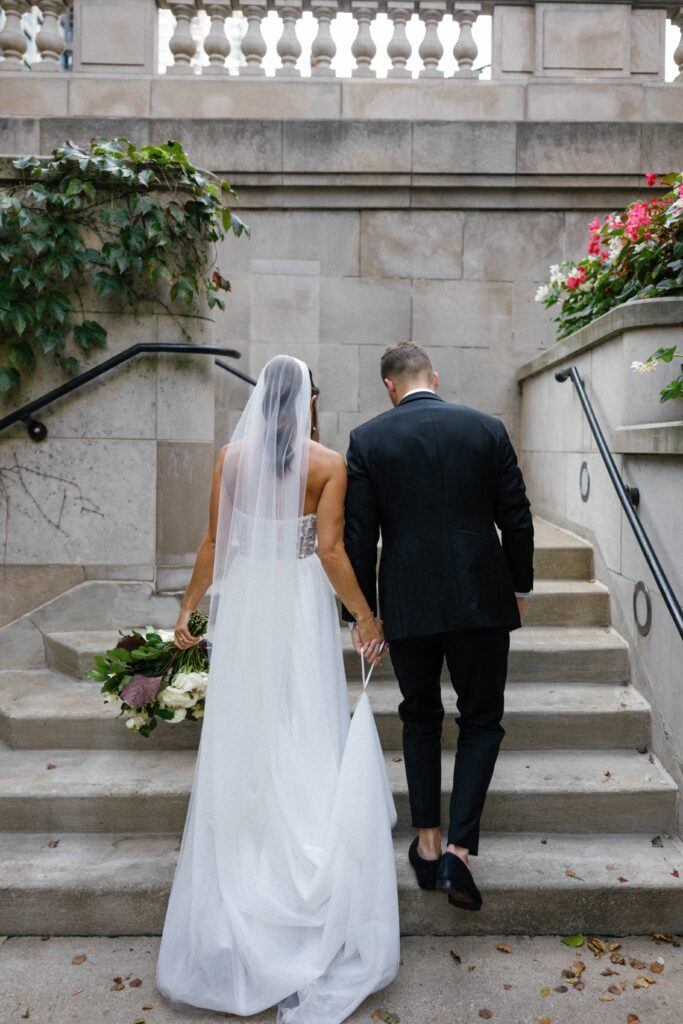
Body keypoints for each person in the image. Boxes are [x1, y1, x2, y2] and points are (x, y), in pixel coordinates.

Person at [156, 355, 400, 1024]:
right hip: (295, 601)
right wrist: (363, 614)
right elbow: (328, 550)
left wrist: (187, 609)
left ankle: (246, 850)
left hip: (248, 598)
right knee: (303, 716)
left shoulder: (232, 457)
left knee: (250, 721)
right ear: (309, 401)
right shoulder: (327, 464)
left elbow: (214, 540)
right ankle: (304, 855)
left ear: (262, 401)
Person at [342, 341, 534, 912]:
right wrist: (518, 588)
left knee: (420, 716)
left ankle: (426, 845)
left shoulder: (368, 439)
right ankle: (458, 852)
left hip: (408, 602)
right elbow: (517, 517)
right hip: (480, 597)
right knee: (481, 720)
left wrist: (364, 615)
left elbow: (359, 536)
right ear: (435, 377)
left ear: (390, 386)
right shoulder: (487, 429)